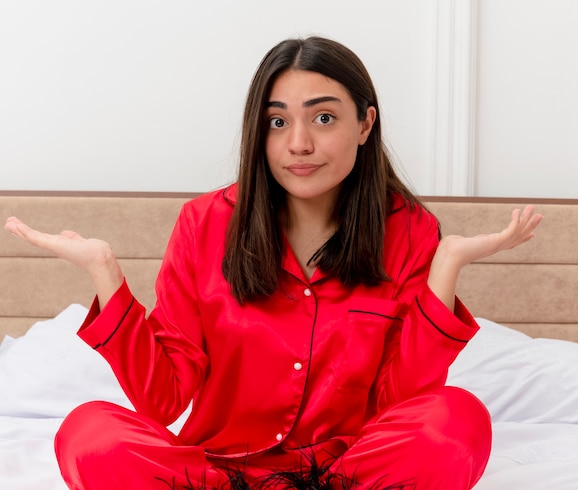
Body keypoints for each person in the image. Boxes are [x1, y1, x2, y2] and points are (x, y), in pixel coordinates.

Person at [4, 36, 542, 489]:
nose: (299, 144)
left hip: (345, 474)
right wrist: (105, 272)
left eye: (324, 118)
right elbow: (163, 400)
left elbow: (398, 402)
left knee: (456, 418)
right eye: (277, 123)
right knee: (90, 432)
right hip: (220, 473)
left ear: (365, 124)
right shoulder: (204, 222)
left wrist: (445, 268)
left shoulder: (410, 230)